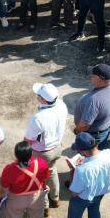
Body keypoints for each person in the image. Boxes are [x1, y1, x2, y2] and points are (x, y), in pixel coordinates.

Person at [63, 132, 110, 218]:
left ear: (83, 151)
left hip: (82, 198)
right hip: (100, 193)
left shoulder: (83, 170)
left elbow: (74, 192)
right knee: (94, 213)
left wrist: (74, 169)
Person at [24, 83, 68, 211]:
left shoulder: (38, 118)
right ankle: (55, 199)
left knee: (39, 179)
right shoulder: (61, 105)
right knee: (52, 170)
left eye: (38, 95)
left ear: (43, 99)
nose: (37, 96)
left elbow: (28, 140)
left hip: (42, 153)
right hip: (57, 148)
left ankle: (44, 208)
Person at [0, 141, 50, 218]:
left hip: (16, 199)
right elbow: (45, 178)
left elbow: (4, 188)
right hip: (36, 196)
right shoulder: (41, 163)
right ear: (31, 153)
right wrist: (44, 187)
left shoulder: (10, 169)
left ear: (16, 155)